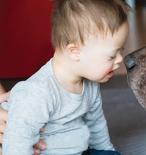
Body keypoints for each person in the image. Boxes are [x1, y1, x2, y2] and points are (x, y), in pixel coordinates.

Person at [1, 0, 129, 154]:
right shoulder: (38, 92)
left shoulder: (89, 84)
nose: (120, 59)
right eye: (112, 56)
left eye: (121, 51)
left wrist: (107, 151)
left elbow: (96, 124)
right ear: (75, 52)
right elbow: (17, 145)